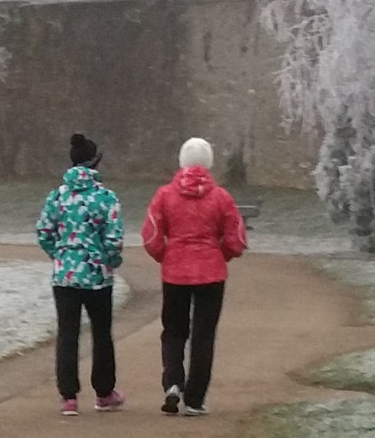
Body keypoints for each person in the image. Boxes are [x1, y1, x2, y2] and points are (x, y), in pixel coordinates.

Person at [141, 137, 247, 417]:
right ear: (209, 163)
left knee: (174, 331)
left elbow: (150, 235)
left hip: (175, 272)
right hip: (211, 272)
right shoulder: (221, 197)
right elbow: (236, 238)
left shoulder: (164, 195)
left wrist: (165, 254)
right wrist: (220, 253)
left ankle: (173, 382)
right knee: (204, 335)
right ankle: (195, 399)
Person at [36, 133, 125, 416]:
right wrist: (110, 261)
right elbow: (113, 239)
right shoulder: (105, 198)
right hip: (98, 276)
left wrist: (58, 254)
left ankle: (68, 397)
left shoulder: (57, 196)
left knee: (68, 334)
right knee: (101, 334)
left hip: (65, 275)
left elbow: (43, 232)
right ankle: (104, 392)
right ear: (95, 162)